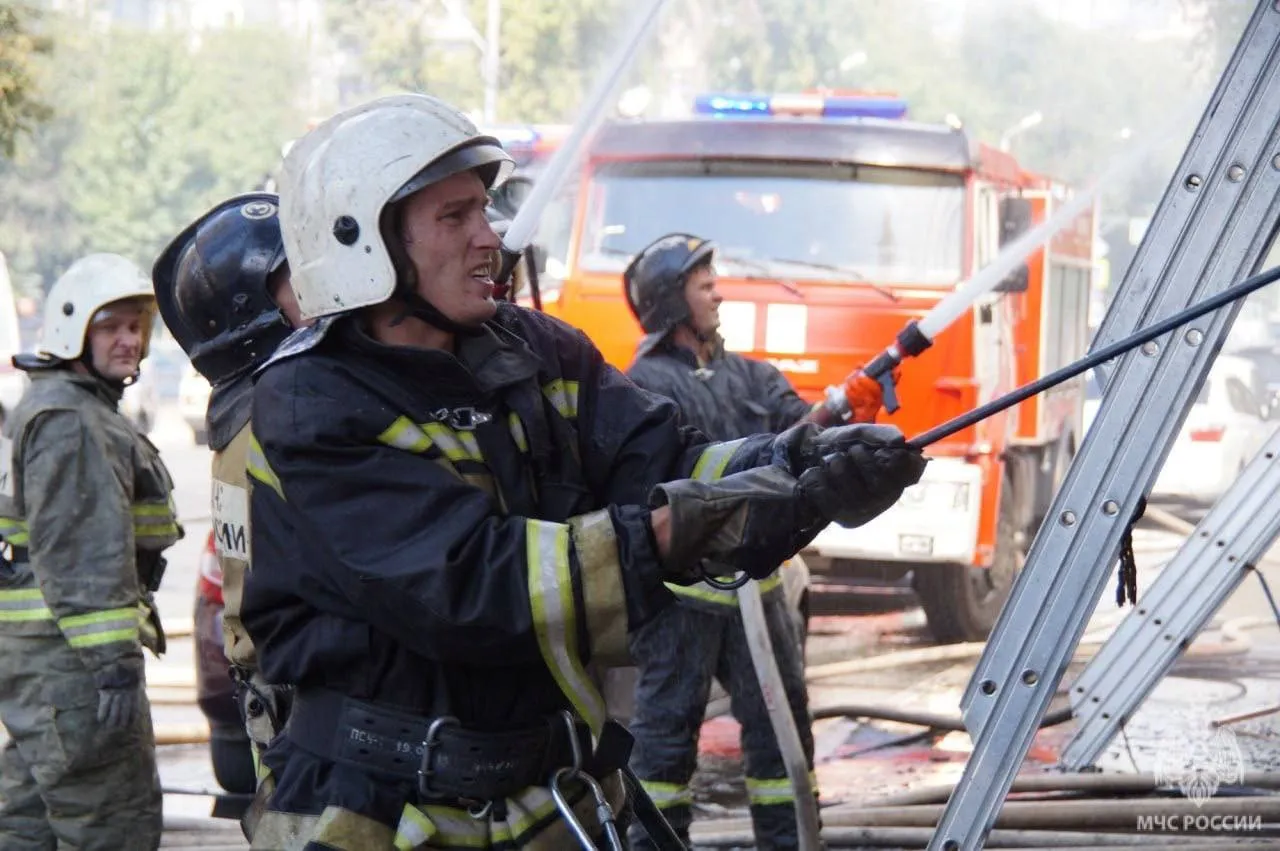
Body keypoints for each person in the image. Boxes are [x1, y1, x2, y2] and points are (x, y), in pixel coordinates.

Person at [240, 92, 927, 851]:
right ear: (359, 242)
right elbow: (471, 584)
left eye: (483, 210)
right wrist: (664, 533)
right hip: (372, 813)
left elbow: (670, 462)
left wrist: (800, 469)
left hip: (546, 797)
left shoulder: (537, 352)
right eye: (455, 217)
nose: (489, 237)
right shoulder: (311, 401)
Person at [622, 233, 899, 849]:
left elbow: (801, 440)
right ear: (671, 301)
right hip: (682, 599)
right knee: (664, 744)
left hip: (760, 589)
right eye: (704, 285)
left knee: (782, 735)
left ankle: (790, 842)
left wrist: (849, 414)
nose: (718, 294)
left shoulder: (752, 376)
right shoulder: (643, 385)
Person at [0, 253, 182, 850]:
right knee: (111, 825)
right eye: (110, 327)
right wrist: (114, 668)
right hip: (74, 673)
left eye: (135, 326)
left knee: (29, 826)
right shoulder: (74, 420)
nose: (128, 341)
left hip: (43, 669)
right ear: (72, 331)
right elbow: (84, 559)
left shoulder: (62, 405)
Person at [151, 192, 307, 795]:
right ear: (257, 311)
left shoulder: (245, 411)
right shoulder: (278, 420)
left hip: (276, 692)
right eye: (297, 277)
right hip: (301, 704)